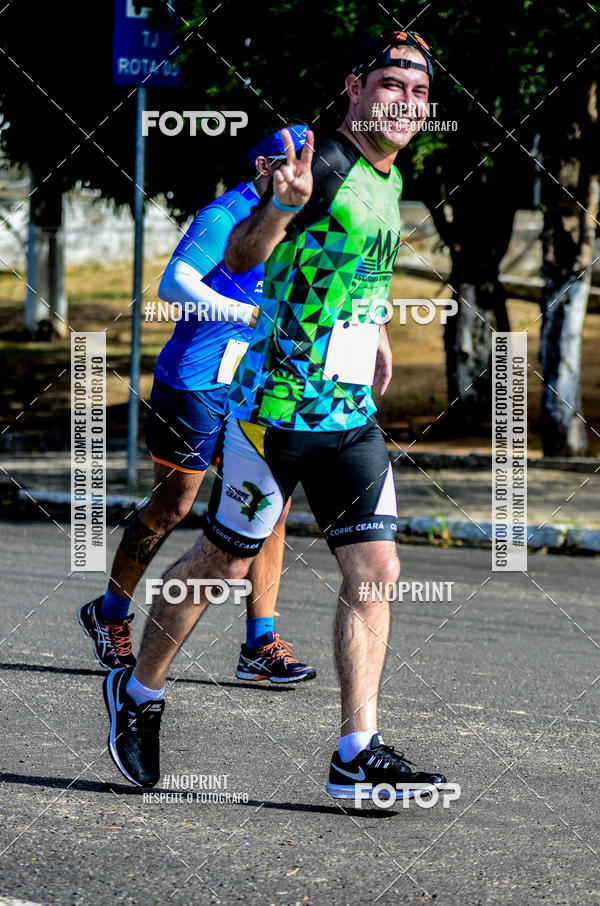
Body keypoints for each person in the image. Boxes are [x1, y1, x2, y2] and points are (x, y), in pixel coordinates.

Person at [102, 30, 447, 798]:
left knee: (376, 566)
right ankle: (138, 690)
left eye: (422, 94)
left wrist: (377, 329)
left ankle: (357, 749)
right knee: (222, 562)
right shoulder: (318, 163)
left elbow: (352, 267)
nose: (408, 103)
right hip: (273, 413)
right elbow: (243, 260)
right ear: (356, 86)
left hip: (348, 413)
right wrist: (279, 210)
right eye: (393, 84)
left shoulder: (385, 176)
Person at [79, 123, 316, 687]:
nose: (309, 174)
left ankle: (259, 642)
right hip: (195, 383)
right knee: (174, 507)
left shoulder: (301, 223)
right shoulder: (223, 215)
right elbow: (174, 284)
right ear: (265, 167)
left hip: (255, 386)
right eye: (296, 162)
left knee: (270, 506)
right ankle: (109, 613)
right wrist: (244, 315)